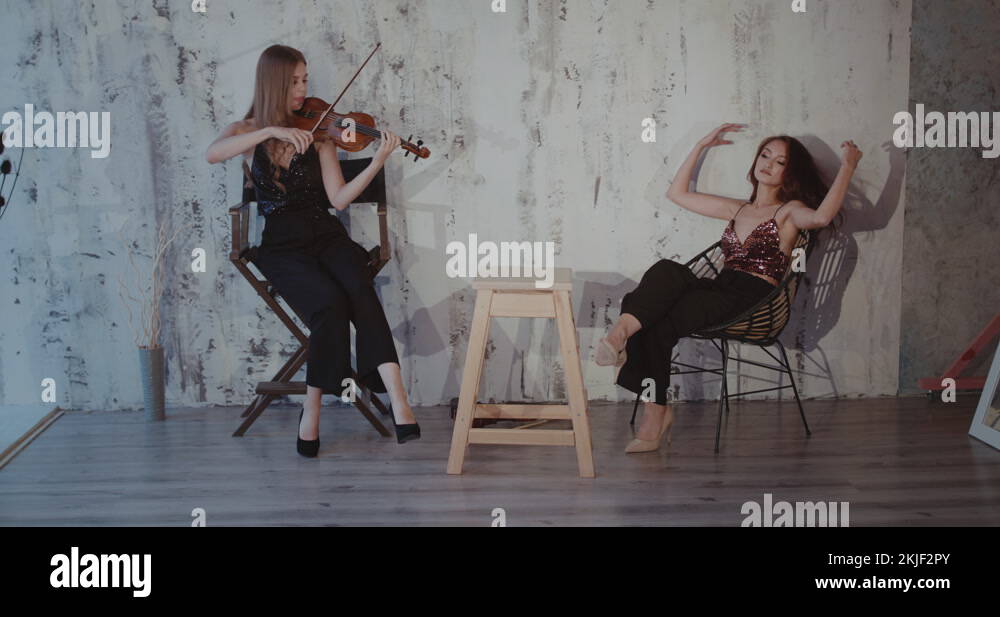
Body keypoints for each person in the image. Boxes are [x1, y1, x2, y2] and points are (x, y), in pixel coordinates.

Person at [205, 44, 419, 457]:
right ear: (274, 83)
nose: (304, 89)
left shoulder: (322, 132)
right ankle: (312, 410)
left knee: (357, 284)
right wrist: (271, 131)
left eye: (306, 79)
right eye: (295, 81)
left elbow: (338, 199)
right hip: (283, 246)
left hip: (326, 234)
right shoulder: (246, 131)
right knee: (327, 305)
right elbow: (213, 154)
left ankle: (398, 396)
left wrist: (376, 162)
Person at [596, 123, 862, 453]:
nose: (768, 164)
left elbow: (821, 218)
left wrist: (848, 165)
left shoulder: (790, 211)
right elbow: (676, 194)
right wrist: (700, 144)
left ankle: (652, 404)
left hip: (752, 299)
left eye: (780, 162)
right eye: (765, 155)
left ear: (790, 172)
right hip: (721, 287)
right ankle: (623, 335)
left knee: (659, 319)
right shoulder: (738, 208)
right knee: (666, 270)